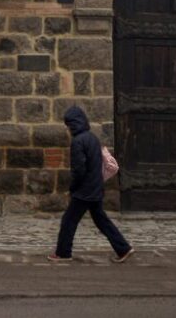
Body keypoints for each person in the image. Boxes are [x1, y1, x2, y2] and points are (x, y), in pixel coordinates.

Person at [48, 105, 134, 263]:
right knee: (101, 220)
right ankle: (123, 248)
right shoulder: (92, 138)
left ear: (73, 124)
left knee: (69, 220)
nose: (67, 129)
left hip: (84, 191)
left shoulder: (78, 142)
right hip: (96, 188)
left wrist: (73, 188)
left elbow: (79, 170)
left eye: (68, 125)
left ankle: (63, 253)